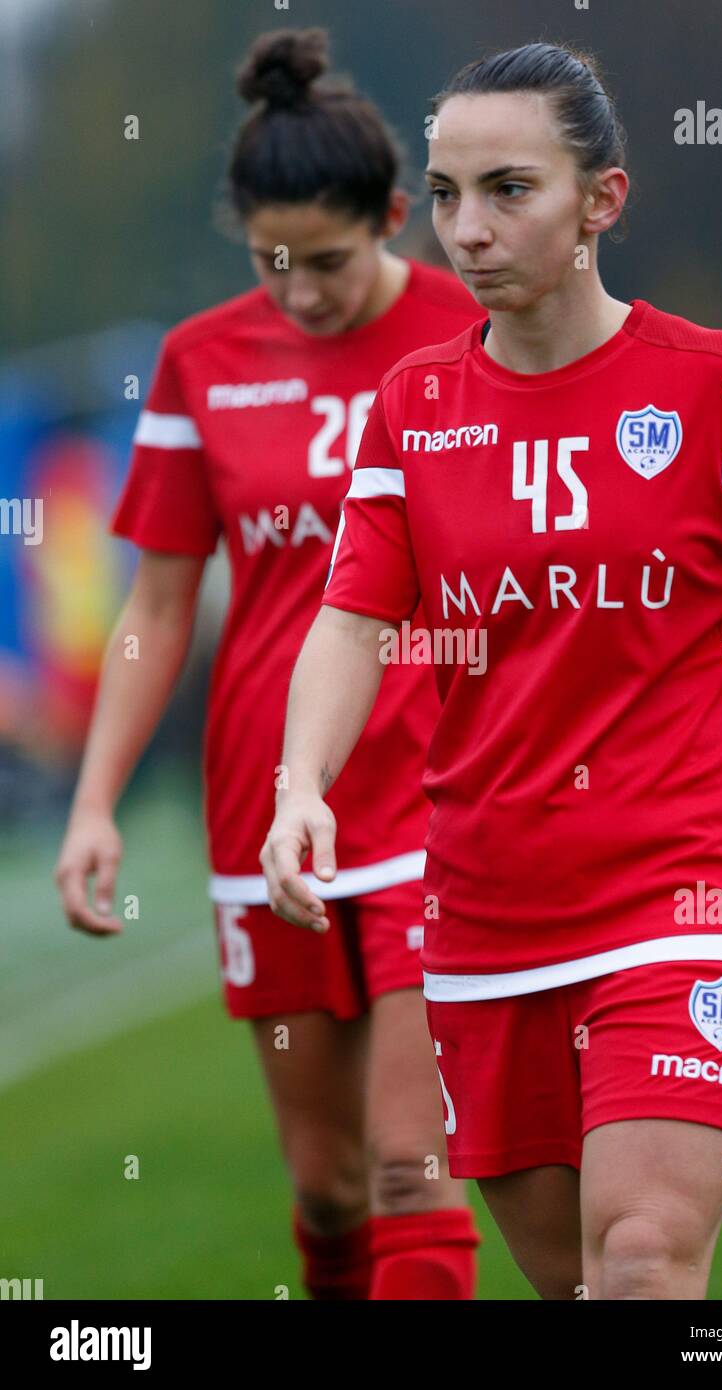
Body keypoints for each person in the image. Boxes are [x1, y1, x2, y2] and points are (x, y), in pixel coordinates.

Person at [259, 40, 722, 1300]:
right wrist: (298, 784)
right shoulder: (412, 410)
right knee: (582, 1287)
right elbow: (355, 620)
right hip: (485, 926)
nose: (464, 230)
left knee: (641, 1260)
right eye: (442, 194)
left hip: (694, 898)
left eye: (507, 189)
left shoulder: (718, 389)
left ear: (603, 199)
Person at [54, 27, 483, 1301]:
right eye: (270, 263)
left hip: (440, 788)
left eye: (331, 264)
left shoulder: (479, 332)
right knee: (328, 1185)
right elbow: (161, 604)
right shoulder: (200, 360)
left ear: (398, 219)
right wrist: (92, 799)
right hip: (260, 798)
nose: (300, 295)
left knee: (414, 1165)